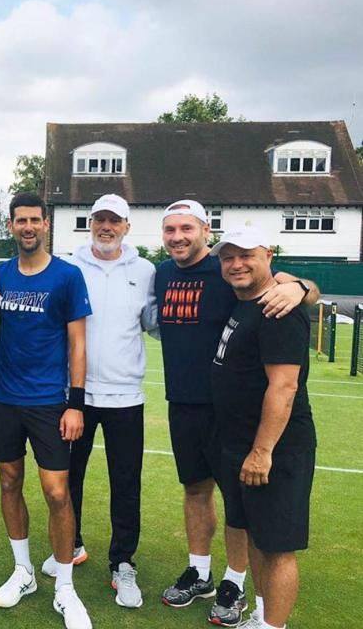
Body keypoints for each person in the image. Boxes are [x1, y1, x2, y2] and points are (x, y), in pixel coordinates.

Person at [156, 200, 319, 626]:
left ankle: (235, 581)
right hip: (187, 404)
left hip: (243, 422)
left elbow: (301, 290)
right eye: (170, 229)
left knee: (250, 516)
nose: (178, 237)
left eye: (186, 228)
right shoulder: (161, 273)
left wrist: (300, 286)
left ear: (203, 230)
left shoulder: (243, 280)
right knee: (199, 491)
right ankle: (202, 572)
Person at [0, 192, 93, 629]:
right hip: (4, 399)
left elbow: (79, 343)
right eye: (20, 220)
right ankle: (23, 570)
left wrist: (75, 404)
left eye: (35, 220)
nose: (28, 227)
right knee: (9, 482)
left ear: (46, 225)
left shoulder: (67, 276)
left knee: (57, 493)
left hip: (50, 402)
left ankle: (64, 586)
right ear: (10, 226)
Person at [39, 194, 155, 609]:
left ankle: (122, 563)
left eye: (114, 221)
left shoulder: (145, 271)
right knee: (69, 479)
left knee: (125, 483)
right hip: (75, 396)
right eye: (99, 219)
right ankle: (71, 546)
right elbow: (1, 281)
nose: (106, 227)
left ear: (127, 226)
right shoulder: (68, 266)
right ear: (90, 224)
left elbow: (156, 323)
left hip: (126, 397)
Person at [210, 226, 316, 629]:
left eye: (246, 255)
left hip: (276, 451)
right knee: (255, 536)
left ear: (268, 255)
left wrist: (262, 450)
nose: (236, 264)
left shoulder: (279, 310)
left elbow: (284, 386)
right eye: (228, 256)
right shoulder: (247, 301)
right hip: (239, 444)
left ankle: (274, 625)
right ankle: (262, 614)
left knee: (277, 547)